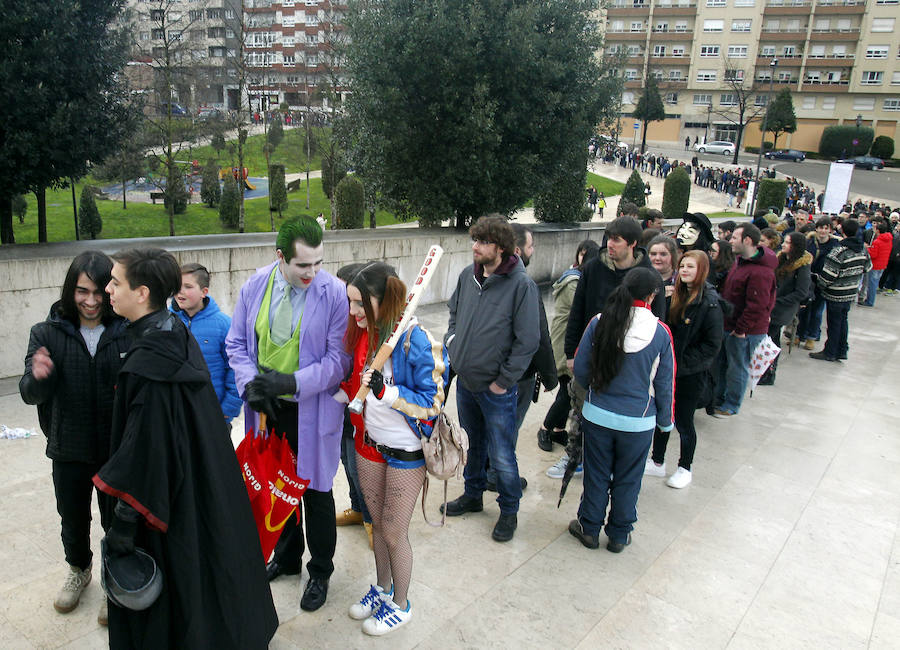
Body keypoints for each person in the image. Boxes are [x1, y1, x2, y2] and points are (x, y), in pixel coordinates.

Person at [96, 247, 278, 648]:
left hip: (167, 500)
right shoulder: (173, 332)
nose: (107, 289)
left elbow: (147, 452)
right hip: (199, 482)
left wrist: (124, 524)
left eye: (115, 282)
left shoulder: (152, 359)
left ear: (141, 293)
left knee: (180, 587)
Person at [226, 215, 350, 611]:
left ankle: (320, 571)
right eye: (303, 265)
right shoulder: (255, 285)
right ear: (280, 257)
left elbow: (338, 363)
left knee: (315, 492)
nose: (312, 272)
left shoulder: (334, 294)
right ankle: (287, 556)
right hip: (266, 407)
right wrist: (251, 386)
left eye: (318, 263)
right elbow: (237, 345)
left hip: (309, 409)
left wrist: (290, 382)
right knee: (274, 484)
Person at [19, 252, 131, 625]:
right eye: (83, 291)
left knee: (115, 521)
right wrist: (37, 377)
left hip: (115, 449)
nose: (92, 300)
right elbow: (30, 394)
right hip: (69, 446)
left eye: (100, 291)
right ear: (70, 290)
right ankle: (79, 569)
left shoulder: (127, 329)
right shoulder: (46, 332)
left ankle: (113, 580)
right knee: (72, 516)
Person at [343, 263, 447, 635]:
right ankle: (383, 589)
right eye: (350, 303)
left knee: (393, 530)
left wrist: (390, 394)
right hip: (370, 444)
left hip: (405, 453)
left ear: (382, 300)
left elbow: (433, 402)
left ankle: (401, 604)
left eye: (359, 304)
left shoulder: (415, 340)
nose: (353, 312)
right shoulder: (368, 335)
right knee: (377, 523)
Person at [441, 216, 540, 543]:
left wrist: (503, 381)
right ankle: (472, 496)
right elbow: (454, 314)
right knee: (472, 444)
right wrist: (453, 344)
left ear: (500, 248)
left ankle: (509, 510)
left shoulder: (521, 286)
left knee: (501, 453)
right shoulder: (466, 277)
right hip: (466, 383)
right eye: (474, 240)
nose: (475, 247)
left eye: (482, 242)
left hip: (496, 390)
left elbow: (528, 341)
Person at [567, 268, 675, 552]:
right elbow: (664, 384)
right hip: (638, 423)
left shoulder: (599, 322)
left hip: (597, 416)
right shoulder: (661, 333)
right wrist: (665, 422)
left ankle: (588, 528)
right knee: (629, 479)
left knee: (597, 475)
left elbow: (580, 369)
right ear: (652, 296)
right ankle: (619, 534)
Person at [554, 217, 666, 479]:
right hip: (591, 357)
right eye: (608, 238)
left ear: (633, 244)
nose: (610, 244)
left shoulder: (649, 278)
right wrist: (571, 353)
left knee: (612, 420)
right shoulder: (593, 268)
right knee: (580, 411)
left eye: (616, 239)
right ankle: (574, 458)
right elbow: (577, 312)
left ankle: (610, 466)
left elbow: (657, 323)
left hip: (629, 365)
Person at [645, 251, 723, 488]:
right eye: (683, 266)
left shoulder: (709, 303)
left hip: (691, 373)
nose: (686, 270)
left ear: (702, 270)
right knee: (664, 414)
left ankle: (684, 467)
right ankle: (657, 461)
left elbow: (712, 345)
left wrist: (683, 363)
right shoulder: (675, 296)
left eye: (691, 266)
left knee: (684, 421)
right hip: (669, 370)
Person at [538, 239, 600, 452]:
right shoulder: (574, 282)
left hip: (575, 343)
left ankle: (556, 429)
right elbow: (583, 311)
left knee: (568, 389)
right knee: (567, 390)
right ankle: (545, 428)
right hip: (566, 342)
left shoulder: (581, 278)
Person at [714, 223, 777, 417]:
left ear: (747, 240)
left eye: (734, 238)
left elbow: (757, 306)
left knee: (737, 367)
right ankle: (719, 399)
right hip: (730, 325)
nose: (730, 241)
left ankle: (731, 404)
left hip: (744, 332)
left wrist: (741, 330)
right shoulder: (739, 261)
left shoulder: (761, 272)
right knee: (723, 365)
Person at [170, 263, 241, 423]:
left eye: (188, 286)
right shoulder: (165, 323)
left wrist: (227, 410)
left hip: (213, 414)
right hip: (176, 415)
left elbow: (236, 368)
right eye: (177, 286)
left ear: (204, 292)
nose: (180, 291)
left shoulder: (224, 325)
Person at [333, 263, 373, 546]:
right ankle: (358, 509)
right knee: (347, 462)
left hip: (365, 416)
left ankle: (372, 519)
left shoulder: (370, 332)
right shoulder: (346, 322)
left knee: (361, 469)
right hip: (345, 411)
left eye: (350, 299)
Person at [810, 219, 872, 362]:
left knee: (834, 324)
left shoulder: (838, 251)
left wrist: (818, 282)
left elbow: (827, 277)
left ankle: (830, 352)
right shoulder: (862, 248)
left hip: (835, 294)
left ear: (842, 231)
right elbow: (867, 267)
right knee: (843, 322)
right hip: (850, 293)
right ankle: (842, 350)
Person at [758, 232, 811, 385]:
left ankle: (768, 373)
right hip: (772, 305)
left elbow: (801, 292)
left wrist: (778, 301)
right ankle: (765, 371)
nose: (783, 245)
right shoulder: (781, 259)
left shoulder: (802, 266)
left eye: (788, 243)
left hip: (782, 309)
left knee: (770, 341)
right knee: (770, 340)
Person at [794, 217, 840, 350]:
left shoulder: (835, 245)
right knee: (803, 309)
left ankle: (811, 337)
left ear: (830, 230)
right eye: (821, 228)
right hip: (807, 280)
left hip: (822, 283)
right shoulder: (809, 242)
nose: (823, 231)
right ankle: (798, 334)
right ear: (816, 228)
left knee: (817, 311)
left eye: (826, 228)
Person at [862, 220, 892, 307]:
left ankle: (869, 301)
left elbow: (873, 255)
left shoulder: (877, 241)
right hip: (883, 264)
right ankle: (870, 300)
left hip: (875, 265)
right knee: (875, 283)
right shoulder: (889, 240)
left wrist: (868, 249)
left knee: (872, 284)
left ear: (878, 231)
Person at [647, 234, 679, 304]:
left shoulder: (681, 280)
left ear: (672, 256)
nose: (657, 258)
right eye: (653, 254)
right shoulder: (641, 280)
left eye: (663, 254)